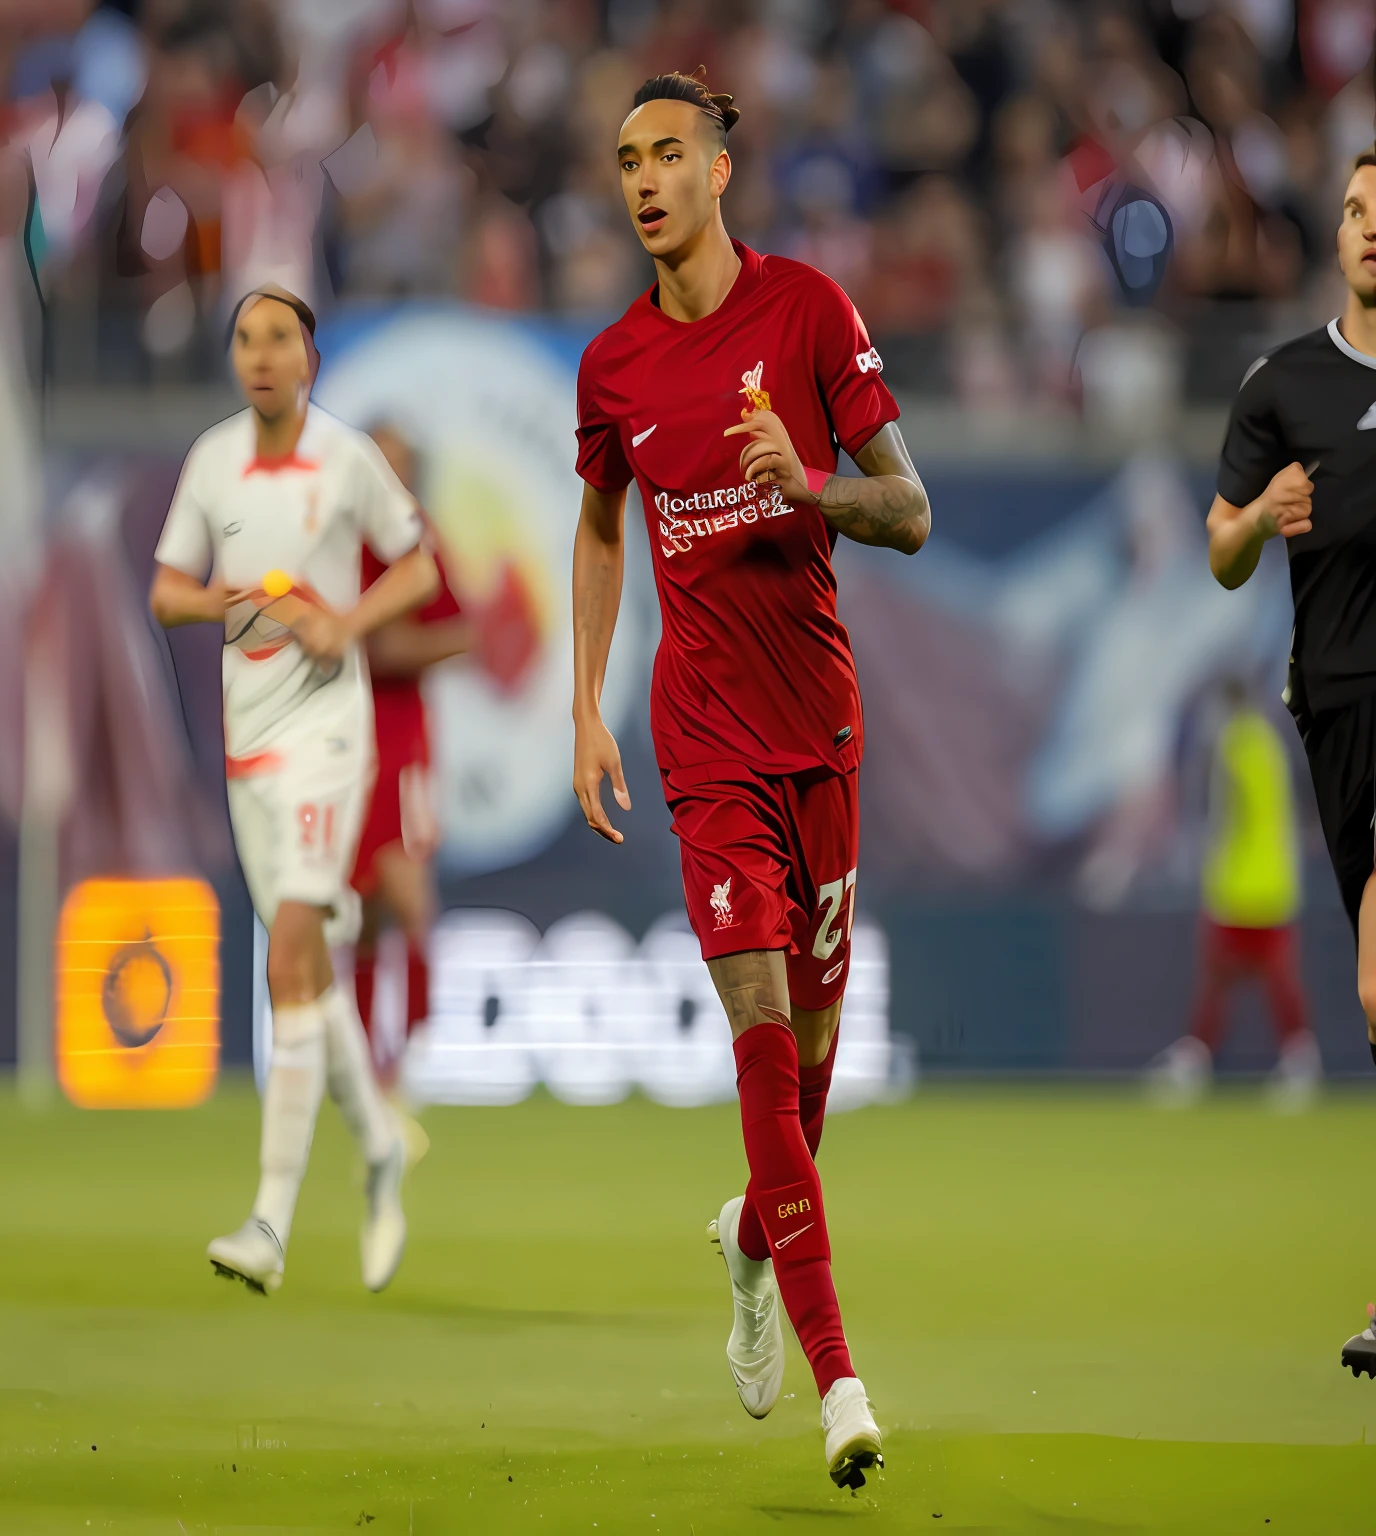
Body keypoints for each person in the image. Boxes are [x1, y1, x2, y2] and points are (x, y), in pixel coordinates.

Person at [571, 71, 931, 1488]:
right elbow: (600, 529)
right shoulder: (611, 367)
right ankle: (843, 1380)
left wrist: (808, 487)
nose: (643, 179)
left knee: (815, 1079)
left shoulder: (809, 313)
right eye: (624, 161)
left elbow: (907, 509)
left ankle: (747, 1239)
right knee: (764, 1037)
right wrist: (588, 707)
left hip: (822, 735)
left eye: (667, 153)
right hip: (704, 739)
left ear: (721, 171)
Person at [149, 285, 438, 1297]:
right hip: (249, 734)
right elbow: (164, 592)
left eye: (279, 339)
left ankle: (271, 1219)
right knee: (307, 974)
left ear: (309, 358)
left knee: (290, 956)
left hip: (328, 729)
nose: (260, 355)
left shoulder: (346, 457)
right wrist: (216, 600)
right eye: (244, 338)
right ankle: (380, 1150)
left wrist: (342, 627)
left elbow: (415, 565)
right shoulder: (213, 460)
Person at [1204, 149, 1376, 1379]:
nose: (1372, 231)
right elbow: (1220, 548)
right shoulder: (1287, 385)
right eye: (1361, 211)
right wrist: (1265, 517)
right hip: (1340, 717)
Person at [345, 424, 472, 1094]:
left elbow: (455, 625)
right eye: (381, 467)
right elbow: (391, 647)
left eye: (401, 469)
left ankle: (412, 1053)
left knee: (409, 896)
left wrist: (445, 639)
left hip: (401, 741)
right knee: (362, 902)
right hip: (342, 738)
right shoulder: (343, 539)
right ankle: (369, 1058)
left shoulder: (419, 539)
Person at [1149, 677, 1318, 1108]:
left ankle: (1208, 1061)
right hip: (1272, 883)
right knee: (1250, 978)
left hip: (1242, 885)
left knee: (1237, 977)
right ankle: (1289, 1060)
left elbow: (1234, 813)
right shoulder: (1267, 742)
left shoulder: (1235, 744)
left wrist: (1211, 862)